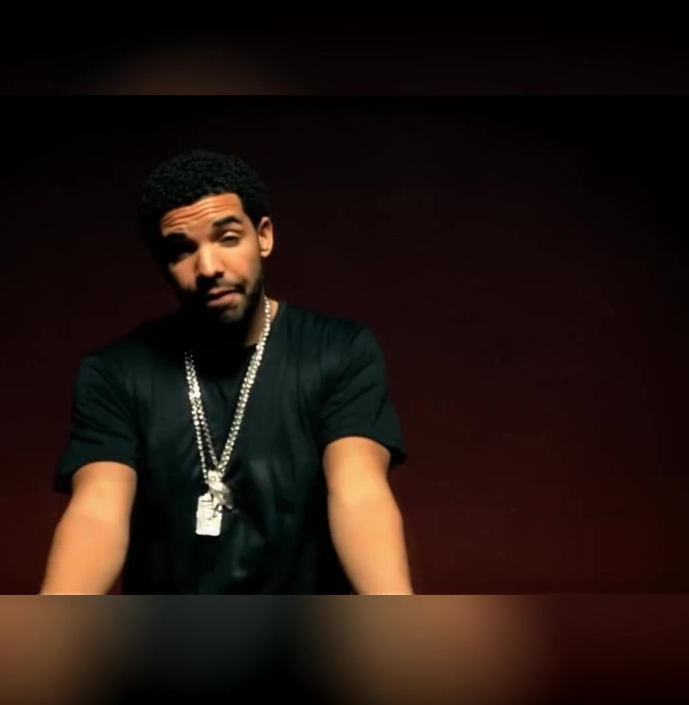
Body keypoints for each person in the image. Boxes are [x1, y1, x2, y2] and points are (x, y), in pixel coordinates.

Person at [39, 149, 412, 594]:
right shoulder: (115, 372)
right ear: (162, 263)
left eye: (228, 238)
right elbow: (97, 511)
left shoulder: (339, 351)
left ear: (263, 236)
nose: (209, 268)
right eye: (182, 250)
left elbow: (360, 495)